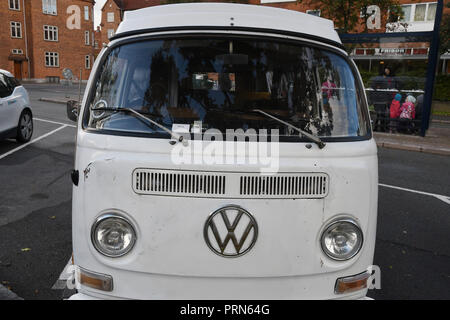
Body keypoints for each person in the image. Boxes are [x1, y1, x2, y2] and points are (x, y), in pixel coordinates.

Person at [370, 67, 397, 132]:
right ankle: (381, 128)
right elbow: (388, 91)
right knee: (382, 114)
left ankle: (376, 127)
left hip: (376, 100)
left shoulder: (375, 79)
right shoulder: (385, 80)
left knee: (378, 114)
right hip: (383, 100)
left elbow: (372, 88)